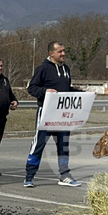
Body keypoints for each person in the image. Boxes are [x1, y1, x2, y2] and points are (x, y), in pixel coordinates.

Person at [25, 41, 83, 187]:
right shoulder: (43, 69)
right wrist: (45, 91)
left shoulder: (66, 69)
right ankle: (29, 176)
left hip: (62, 114)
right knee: (39, 144)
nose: (63, 54)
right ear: (52, 53)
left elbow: (66, 90)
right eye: (60, 51)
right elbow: (32, 88)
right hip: (46, 112)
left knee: (63, 145)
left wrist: (82, 93)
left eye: (64, 51)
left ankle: (64, 175)